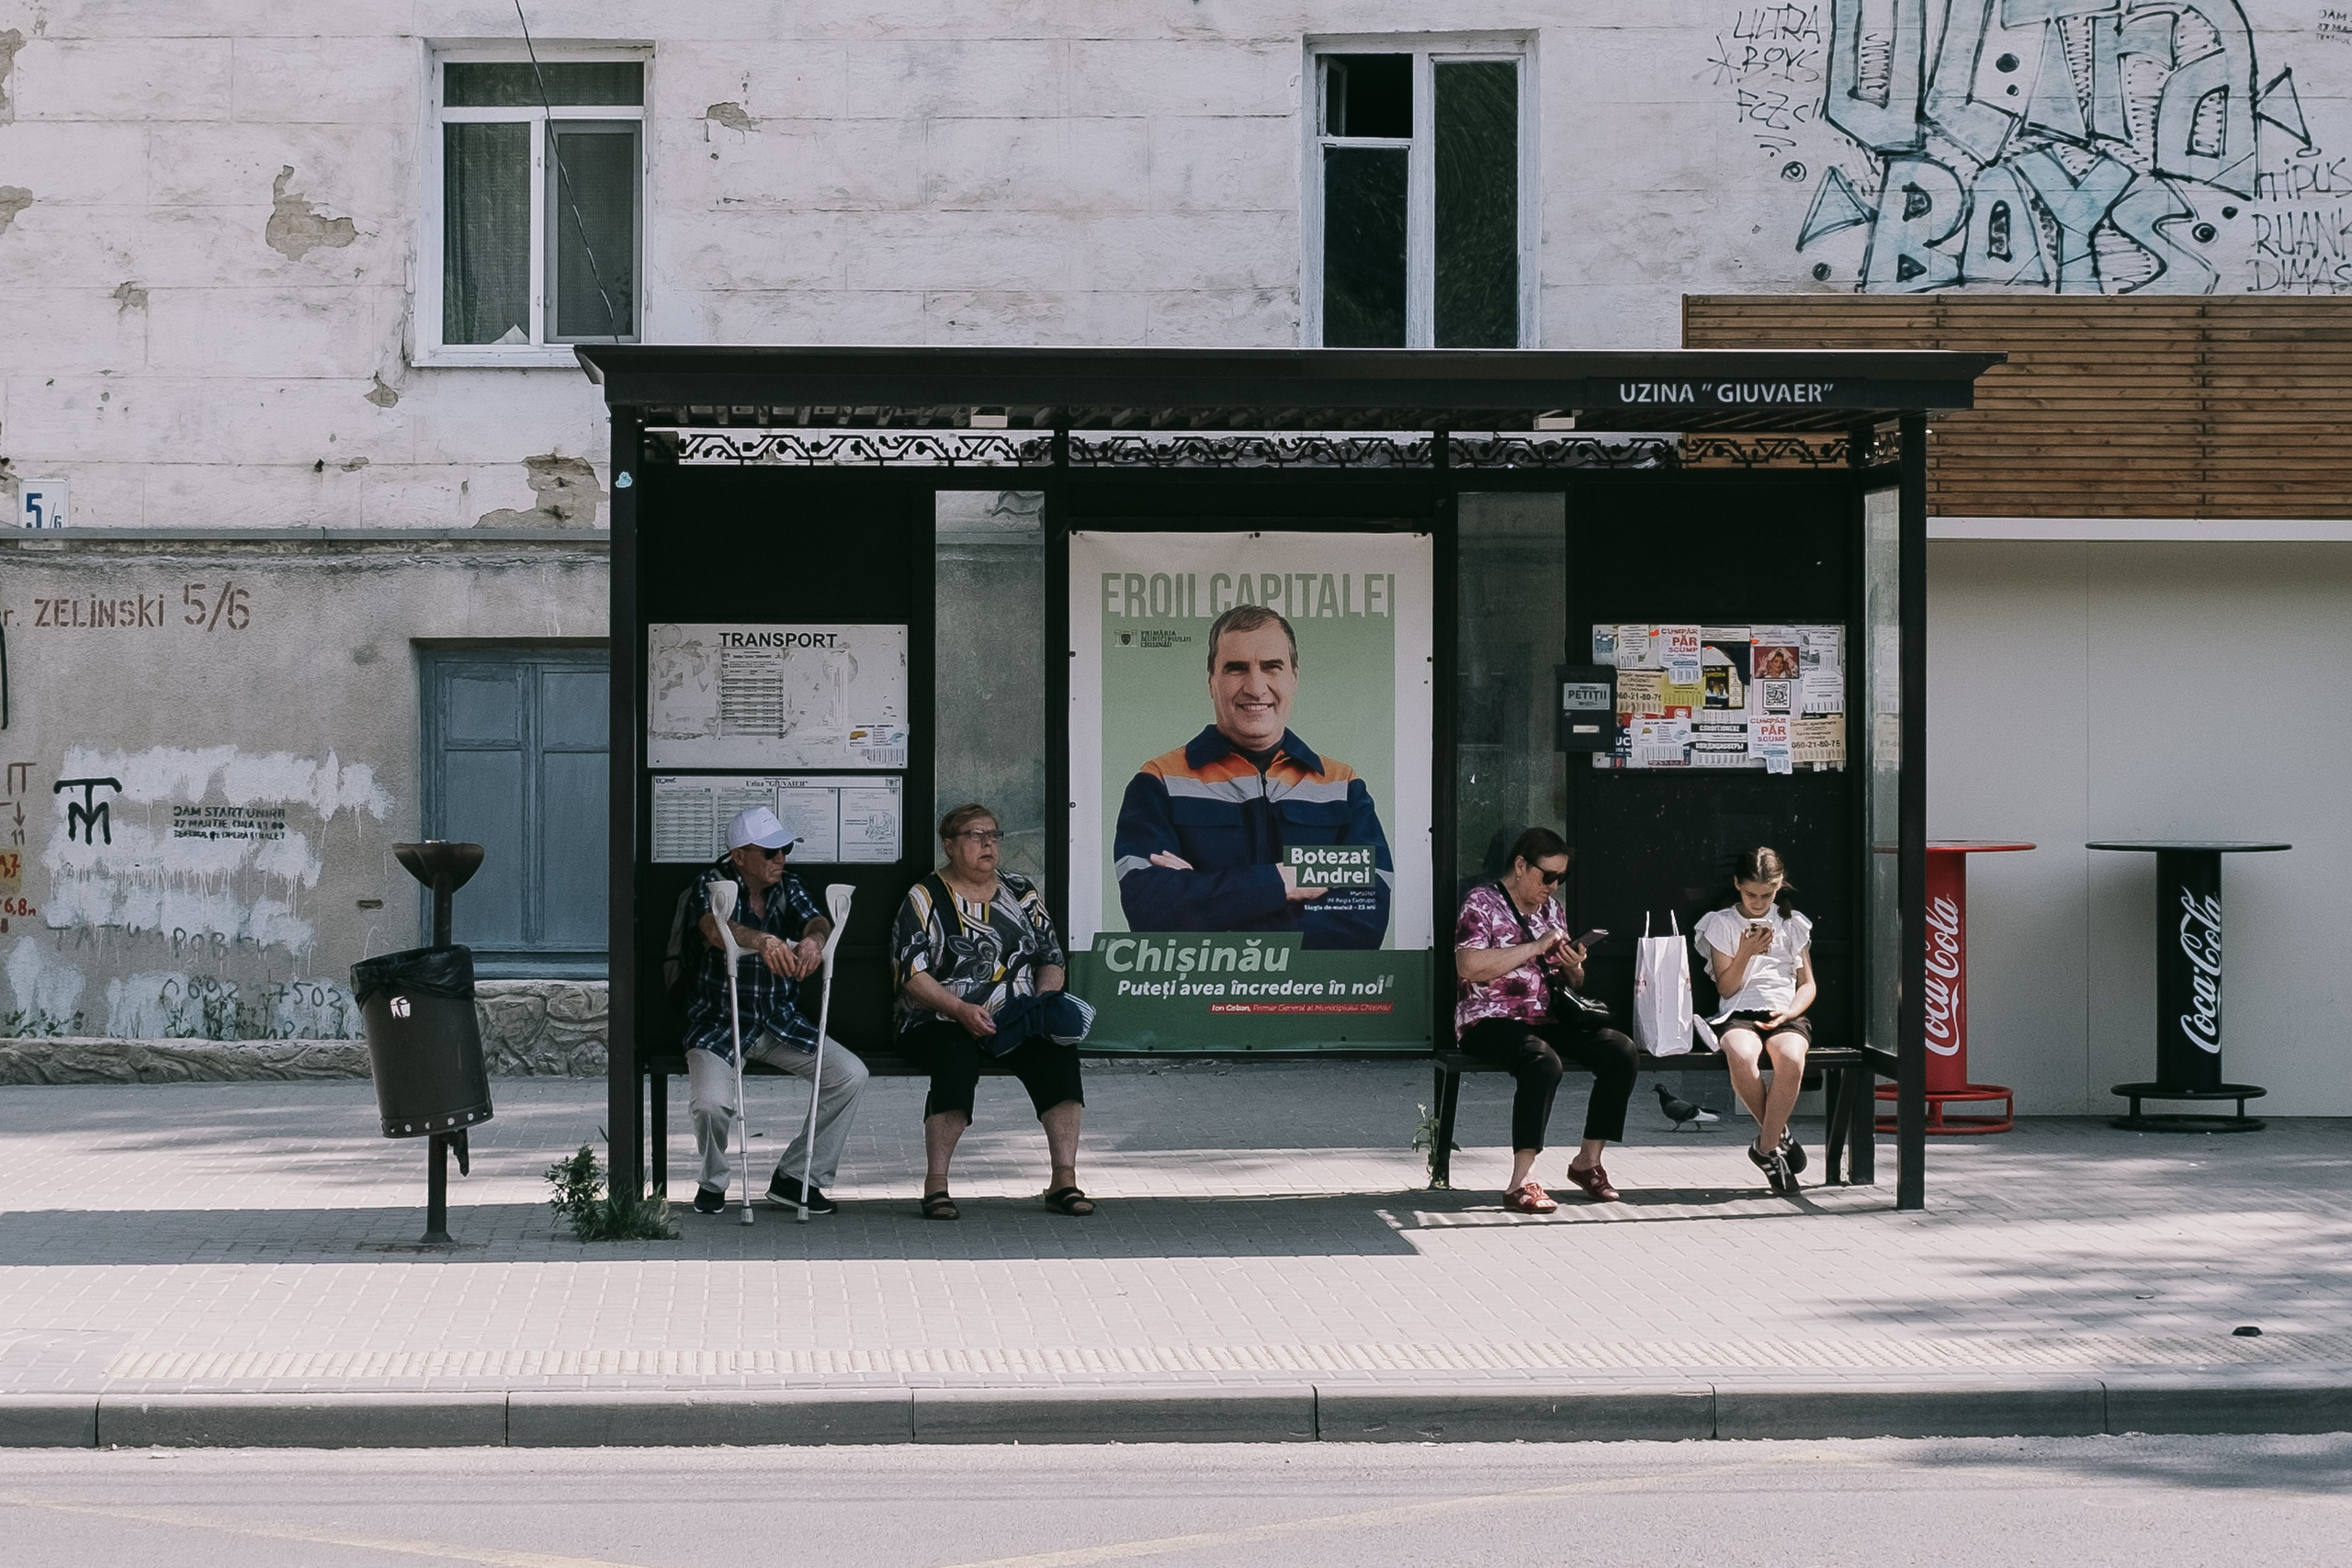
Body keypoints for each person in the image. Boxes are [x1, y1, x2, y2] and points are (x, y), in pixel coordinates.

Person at [1113, 603, 1392, 949]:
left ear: (1294, 677)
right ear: (1211, 681)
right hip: (1196, 999)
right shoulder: (1159, 782)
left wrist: (1210, 901)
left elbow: (1363, 917)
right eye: (1236, 669)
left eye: (1271, 667)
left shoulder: (1341, 786)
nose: (1256, 687)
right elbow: (1151, 910)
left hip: (1313, 998)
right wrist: (1281, 882)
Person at [893, 803, 1092, 1220]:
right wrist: (961, 1009)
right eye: (974, 835)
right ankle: (936, 1186)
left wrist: (1041, 1002)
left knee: (1057, 1055)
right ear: (949, 845)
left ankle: (1064, 1179)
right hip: (940, 1017)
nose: (988, 843)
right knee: (956, 1061)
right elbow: (911, 973)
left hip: (1015, 1016)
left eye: (994, 836)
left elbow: (1051, 957)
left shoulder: (1020, 890)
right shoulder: (925, 896)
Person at [677, 807, 870, 1217]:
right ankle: (713, 1180)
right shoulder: (713, 883)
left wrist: (814, 942)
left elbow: (816, 919)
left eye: (784, 849)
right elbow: (715, 928)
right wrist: (763, 940)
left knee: (850, 1074)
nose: (780, 859)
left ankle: (796, 1177)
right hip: (720, 1023)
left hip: (778, 1021)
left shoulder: (789, 884)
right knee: (711, 1105)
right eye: (770, 851)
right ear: (740, 855)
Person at [1453, 827, 1640, 1211]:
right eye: (1548, 876)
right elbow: (1469, 965)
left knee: (1620, 1051)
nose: (1553, 886)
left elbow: (1569, 980)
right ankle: (1522, 1181)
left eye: (1561, 877)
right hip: (1487, 1018)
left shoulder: (1552, 910)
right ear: (1521, 865)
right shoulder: (1482, 902)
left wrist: (1574, 966)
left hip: (1546, 1016)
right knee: (1541, 1062)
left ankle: (1588, 1162)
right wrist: (1536, 946)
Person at [1692, 845, 1817, 1195]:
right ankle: (1779, 1134)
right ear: (1736, 885)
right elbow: (1728, 988)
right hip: (1738, 1012)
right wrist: (1746, 951)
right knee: (1741, 1054)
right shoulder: (1722, 924)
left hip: (1783, 1010)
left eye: (1767, 894)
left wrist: (1791, 1011)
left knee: (1791, 1058)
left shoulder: (1792, 923)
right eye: (1751, 894)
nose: (1759, 902)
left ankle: (1765, 1149)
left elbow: (1807, 985)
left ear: (1779, 887)